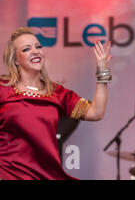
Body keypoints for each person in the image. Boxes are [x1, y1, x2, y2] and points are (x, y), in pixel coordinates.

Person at [0, 27, 112, 180]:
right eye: (26, 49)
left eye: (38, 46)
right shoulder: (3, 88)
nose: (35, 51)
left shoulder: (57, 93)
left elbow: (96, 112)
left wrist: (102, 72)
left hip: (47, 175)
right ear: (15, 60)